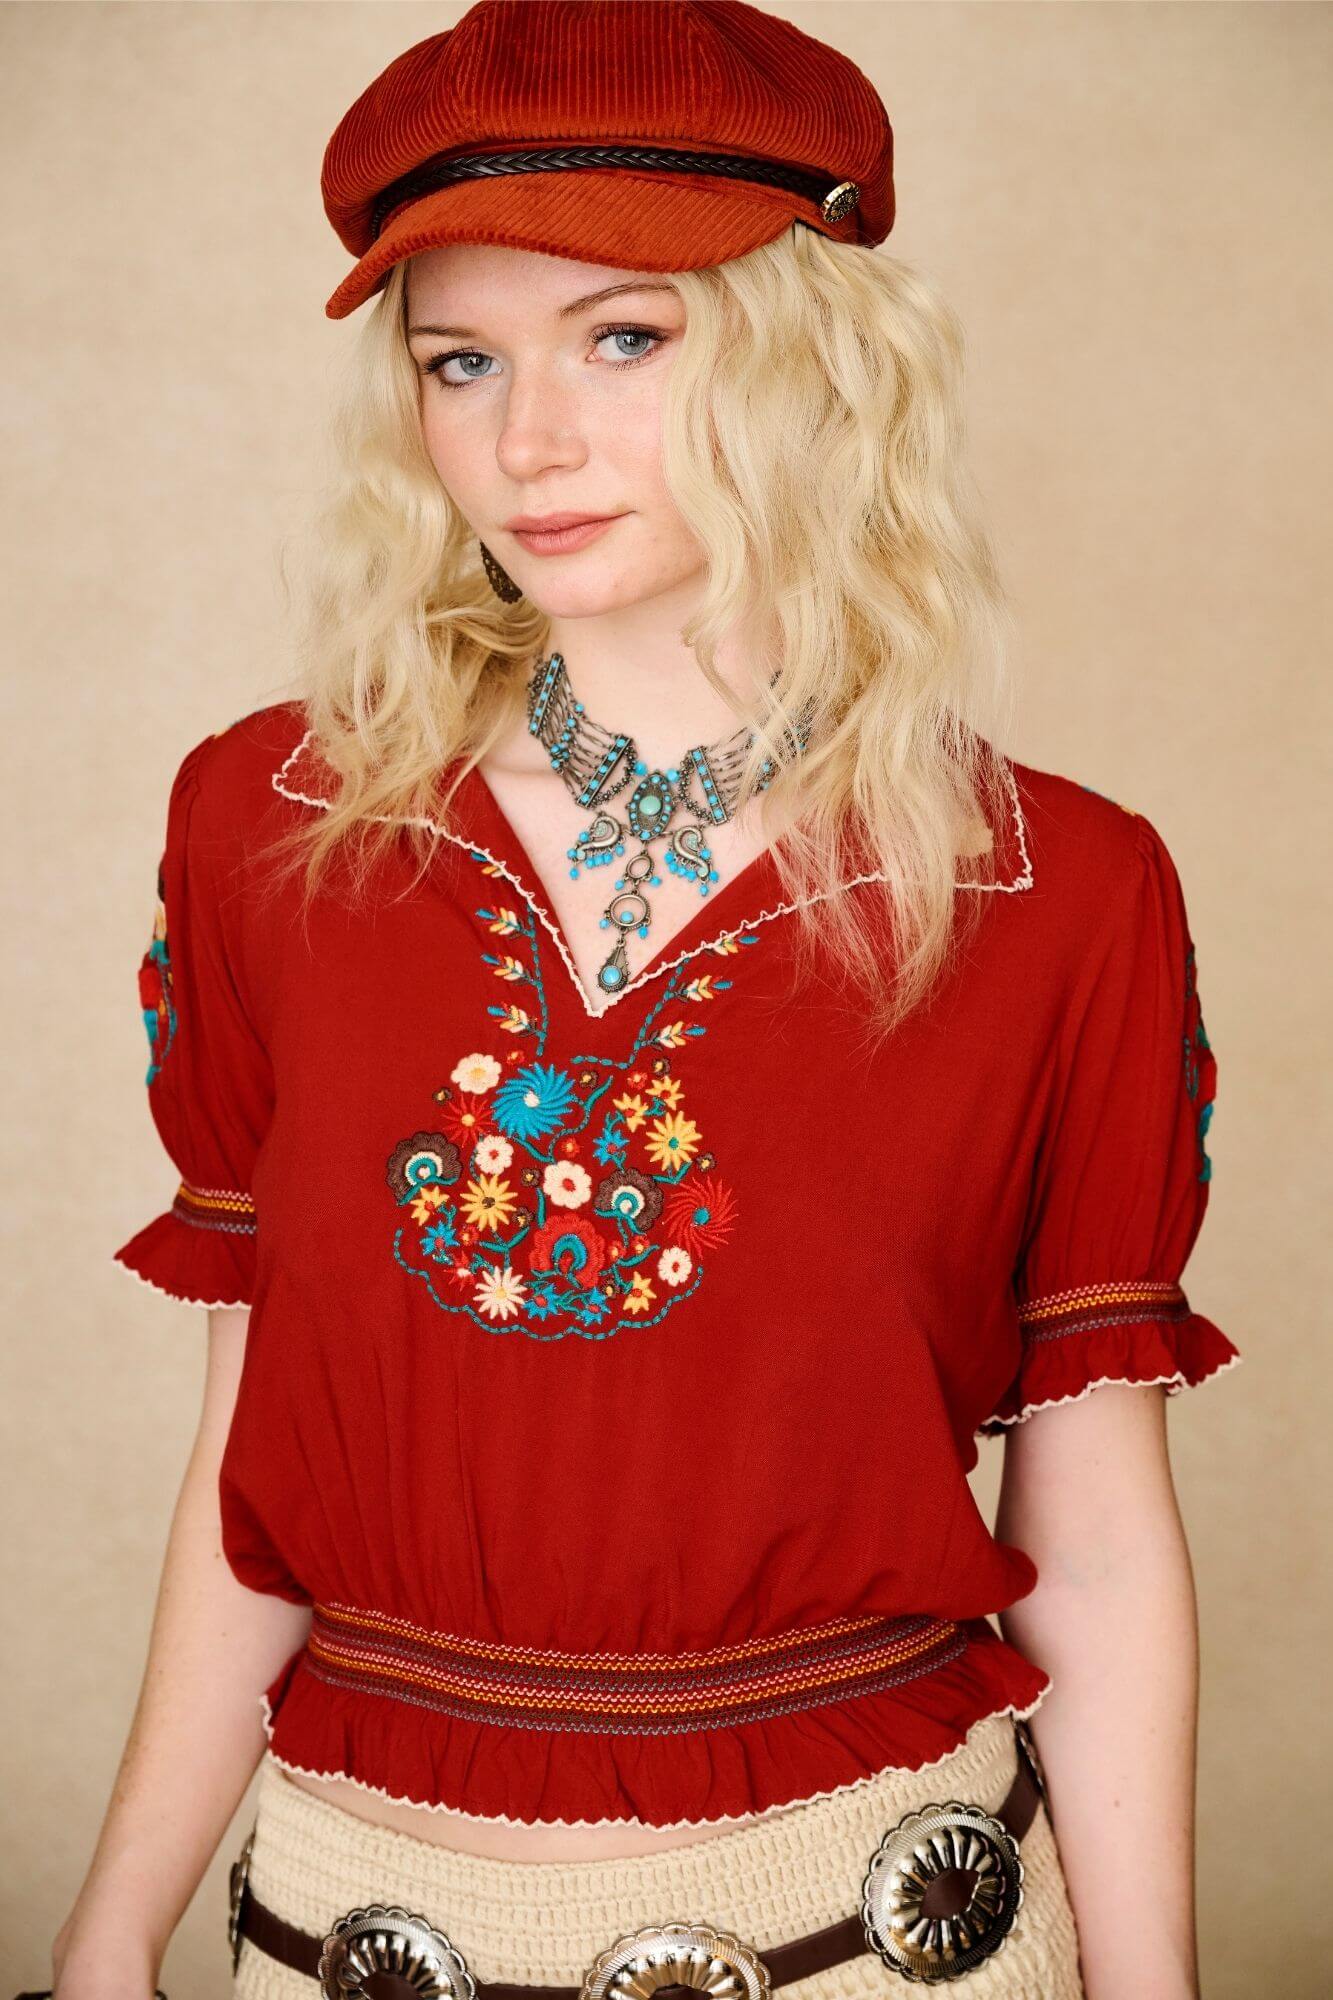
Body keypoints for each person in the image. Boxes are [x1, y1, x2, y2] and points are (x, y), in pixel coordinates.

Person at [51, 3, 1242, 1996]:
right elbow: (253, 1452)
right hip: (354, 1930)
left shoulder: (1057, 888)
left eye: (624, 336)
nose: (525, 438)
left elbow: (1099, 1530)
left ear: (809, 363)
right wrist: (108, 1926)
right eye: (460, 359)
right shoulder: (275, 825)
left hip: (882, 1936)